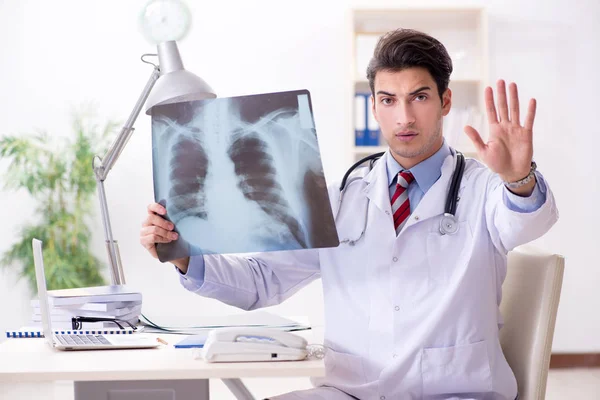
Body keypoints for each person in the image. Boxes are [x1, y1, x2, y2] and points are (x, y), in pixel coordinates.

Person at [140, 28, 558, 400]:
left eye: (420, 97)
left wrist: (519, 177)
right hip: (352, 391)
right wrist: (183, 255)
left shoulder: (484, 188)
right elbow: (264, 281)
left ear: (445, 101)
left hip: (455, 391)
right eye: (389, 100)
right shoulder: (340, 196)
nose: (405, 117)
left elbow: (524, 219)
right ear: (373, 107)